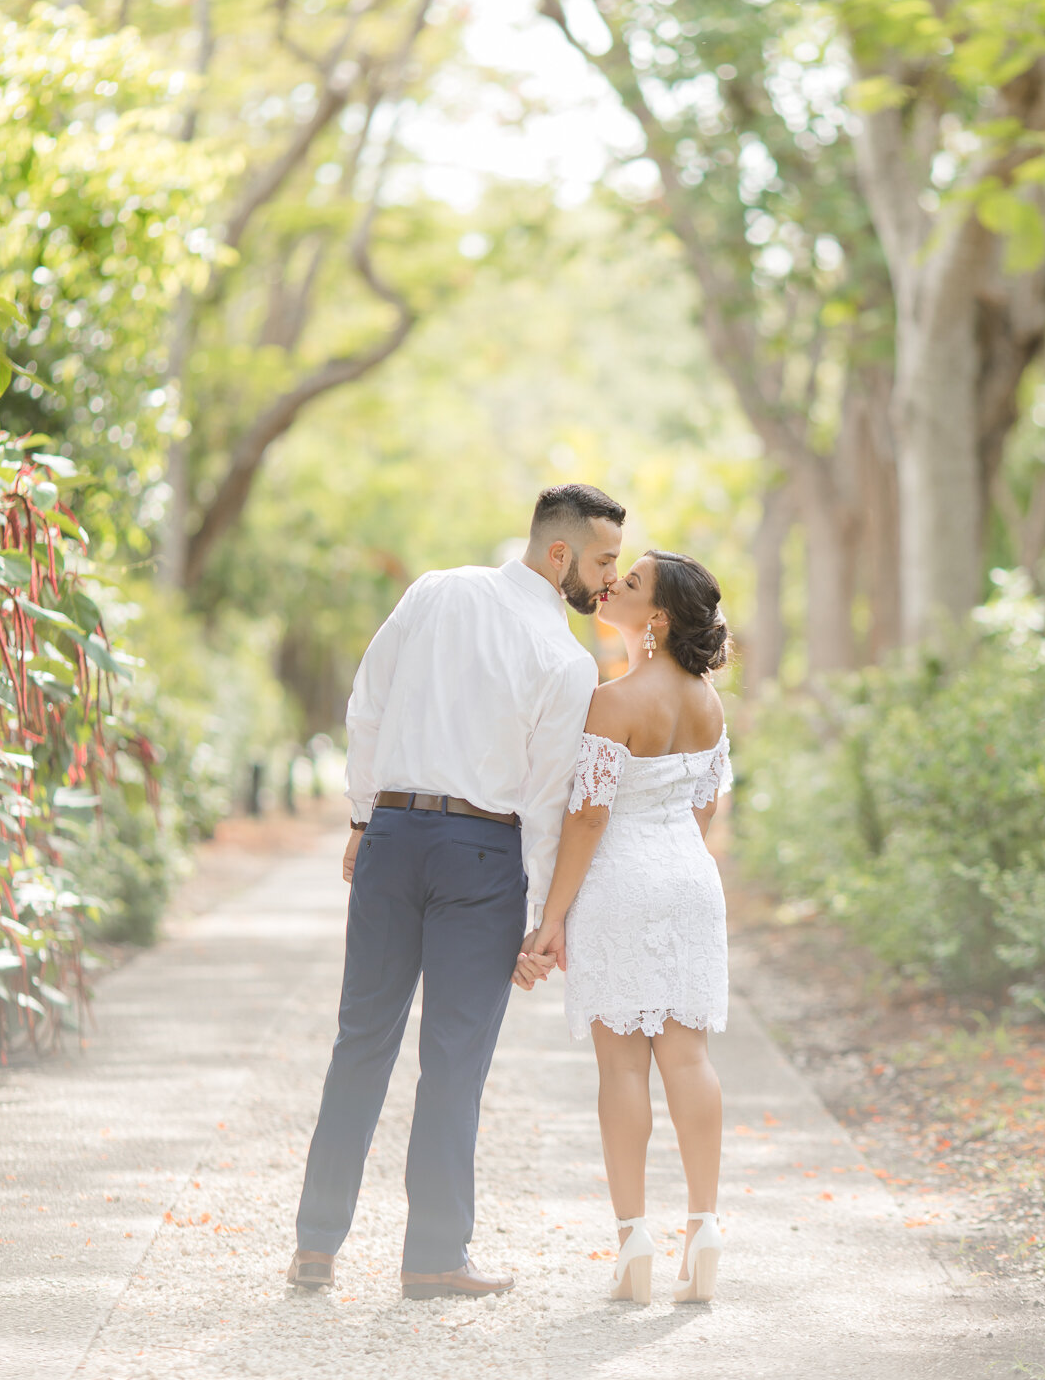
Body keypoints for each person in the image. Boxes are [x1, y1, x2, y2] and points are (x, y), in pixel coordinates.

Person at [287, 483, 625, 1298]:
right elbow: (547, 800)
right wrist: (547, 920)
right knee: (453, 1059)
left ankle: (315, 1247)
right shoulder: (567, 661)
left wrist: (366, 818)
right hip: (482, 849)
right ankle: (434, 1257)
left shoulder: (435, 589)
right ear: (559, 554)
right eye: (603, 560)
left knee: (360, 1040)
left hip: (395, 837)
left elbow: (366, 703)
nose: (609, 579)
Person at [516, 549, 731, 1305]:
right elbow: (705, 805)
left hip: (620, 880)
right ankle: (704, 1228)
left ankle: (634, 1241)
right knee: (689, 1058)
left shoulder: (614, 700)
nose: (615, 587)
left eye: (632, 584)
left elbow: (589, 814)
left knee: (622, 1070)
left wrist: (551, 917)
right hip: (690, 876)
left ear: (660, 618)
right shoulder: (709, 702)